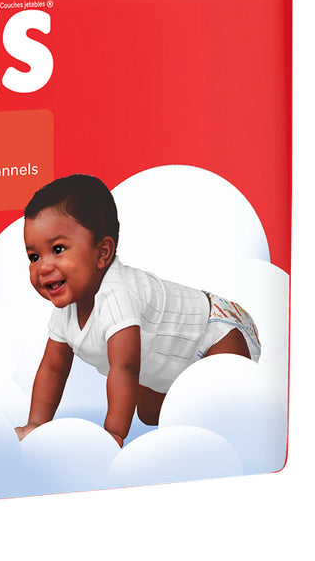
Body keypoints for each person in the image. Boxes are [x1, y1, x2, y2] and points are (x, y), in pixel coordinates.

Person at [16, 174, 260, 447]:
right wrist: (36, 425)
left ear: (102, 253)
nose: (43, 267)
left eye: (58, 249)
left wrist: (113, 435)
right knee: (150, 414)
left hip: (219, 333)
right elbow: (53, 368)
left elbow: (125, 368)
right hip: (173, 359)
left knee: (211, 417)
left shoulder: (118, 297)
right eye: (34, 257)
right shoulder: (67, 308)